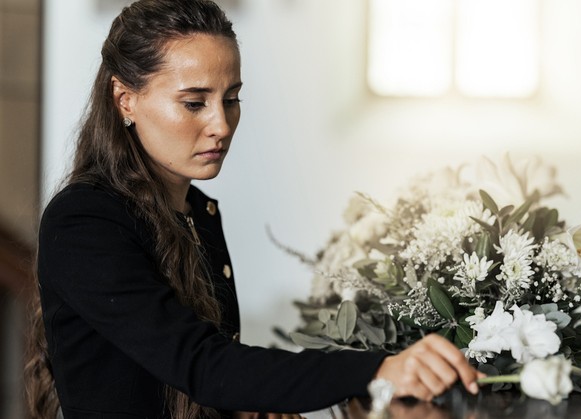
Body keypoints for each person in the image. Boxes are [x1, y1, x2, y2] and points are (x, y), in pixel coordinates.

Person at [23, 1, 481, 418]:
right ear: (126, 99)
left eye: (231, 99)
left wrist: (244, 407)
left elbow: (185, 374)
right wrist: (377, 368)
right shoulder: (84, 220)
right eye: (194, 103)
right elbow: (200, 364)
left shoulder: (195, 211)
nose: (221, 125)